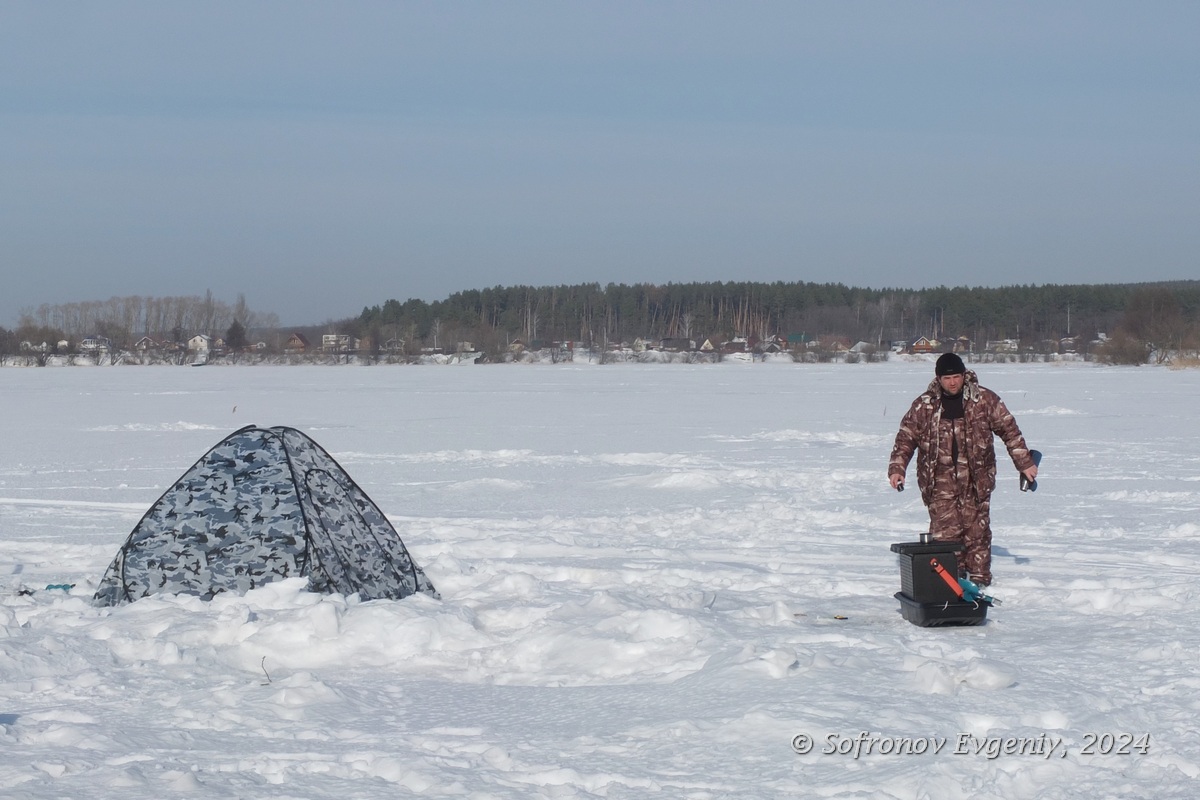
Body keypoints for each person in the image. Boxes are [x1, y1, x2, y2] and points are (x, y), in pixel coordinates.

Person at [888, 352, 1038, 586]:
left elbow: (1010, 431)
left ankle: (979, 584)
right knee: (945, 536)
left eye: (957, 376)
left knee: (977, 535)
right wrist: (897, 469)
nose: (953, 382)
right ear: (938, 379)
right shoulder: (924, 405)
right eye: (947, 378)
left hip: (976, 480)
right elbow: (906, 438)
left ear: (964, 376)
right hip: (939, 482)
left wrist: (1025, 463)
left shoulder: (984, 400)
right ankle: (951, 584)